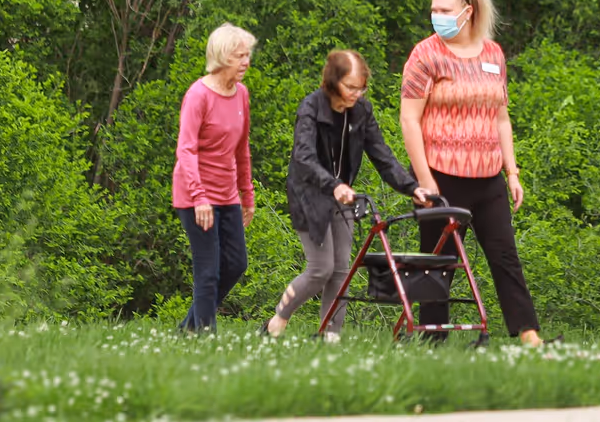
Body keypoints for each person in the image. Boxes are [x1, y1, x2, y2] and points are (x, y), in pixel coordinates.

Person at [400, 0, 543, 346]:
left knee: (505, 256)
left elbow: (501, 116)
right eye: (433, 9)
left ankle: (529, 335)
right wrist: (424, 180)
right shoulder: (425, 54)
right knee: (439, 262)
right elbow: (409, 120)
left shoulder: (493, 53)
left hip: (488, 177)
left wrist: (512, 172)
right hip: (443, 175)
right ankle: (435, 340)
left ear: (468, 11)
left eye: (444, 9)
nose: (437, 15)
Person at [266, 50, 432, 338]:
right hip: (310, 193)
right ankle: (279, 319)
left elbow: (382, 156)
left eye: (361, 87)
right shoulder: (311, 108)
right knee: (320, 269)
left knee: (341, 269)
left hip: (343, 196)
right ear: (333, 82)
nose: (357, 93)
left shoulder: (362, 111)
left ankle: (330, 337)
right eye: (350, 87)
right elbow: (303, 157)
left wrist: (411, 187)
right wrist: (333, 185)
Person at [170, 23, 256, 332]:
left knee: (236, 263)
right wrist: (199, 197)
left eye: (247, 55)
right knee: (207, 271)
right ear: (221, 56)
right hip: (195, 196)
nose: (245, 61)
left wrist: (247, 195)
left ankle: (189, 327)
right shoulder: (198, 95)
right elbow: (186, 149)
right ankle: (203, 340)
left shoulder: (241, 94)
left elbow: (241, 148)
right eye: (239, 55)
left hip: (227, 193)